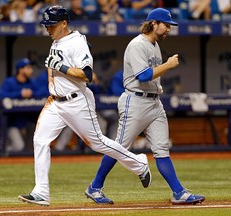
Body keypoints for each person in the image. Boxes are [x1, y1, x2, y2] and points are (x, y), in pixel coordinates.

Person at [18, 5, 151, 206]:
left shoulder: (77, 42)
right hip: (55, 102)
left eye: (52, 25)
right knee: (40, 140)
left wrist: (60, 66)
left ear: (64, 23)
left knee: (98, 142)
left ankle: (139, 164)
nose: (48, 28)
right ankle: (41, 192)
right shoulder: (56, 41)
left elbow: (86, 75)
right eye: (46, 25)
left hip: (76, 100)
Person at [85, 8, 205, 205]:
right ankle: (95, 187)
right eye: (166, 25)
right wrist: (168, 65)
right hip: (136, 101)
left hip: (154, 103)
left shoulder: (154, 45)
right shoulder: (137, 45)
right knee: (119, 147)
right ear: (153, 24)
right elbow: (143, 76)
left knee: (162, 149)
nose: (168, 29)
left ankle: (178, 192)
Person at [0, 58, 40, 153]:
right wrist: (20, 94)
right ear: (20, 70)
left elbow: (43, 92)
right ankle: (5, 150)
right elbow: (1, 96)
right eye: (28, 68)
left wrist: (32, 93)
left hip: (27, 123)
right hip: (13, 124)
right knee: (19, 147)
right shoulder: (9, 82)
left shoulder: (32, 82)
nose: (31, 70)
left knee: (29, 148)